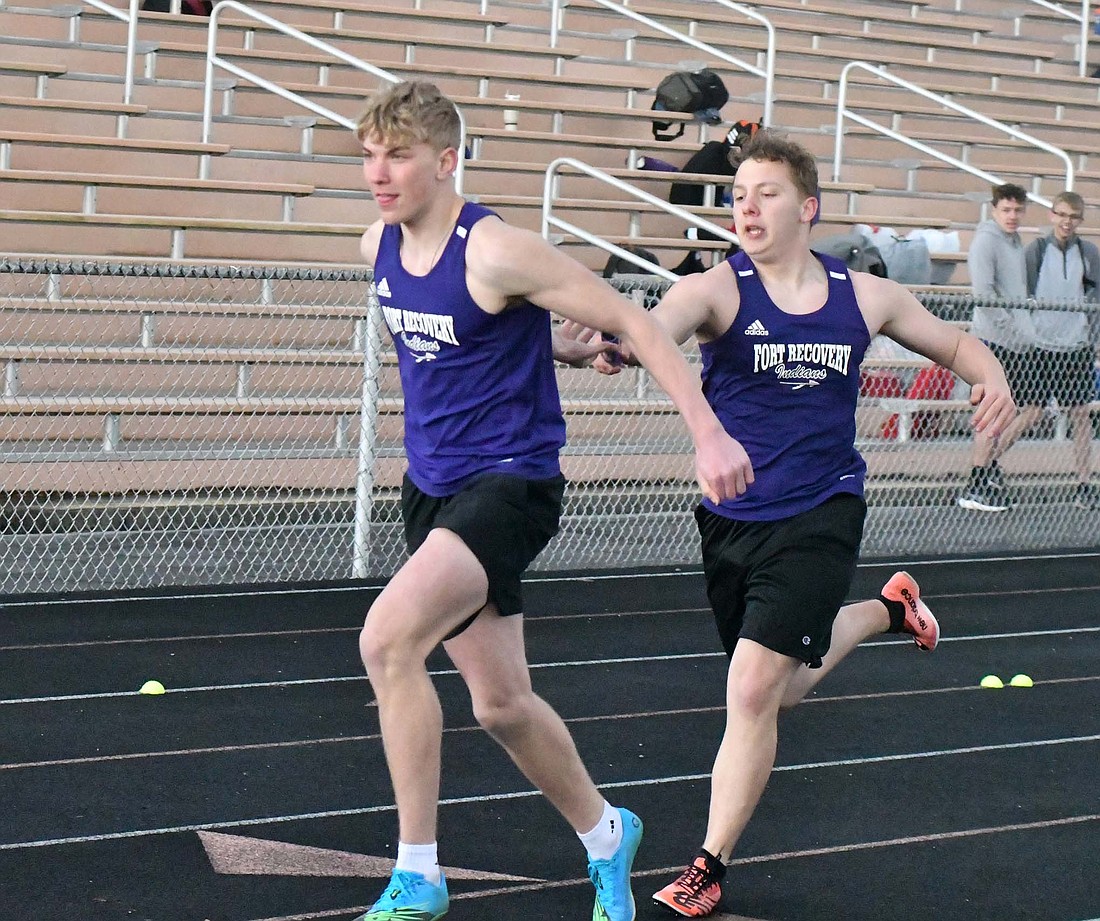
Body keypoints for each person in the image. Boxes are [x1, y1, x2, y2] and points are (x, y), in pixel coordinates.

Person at [582, 131, 1014, 918]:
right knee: (778, 691)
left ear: (808, 207)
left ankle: (708, 865)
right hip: (732, 520)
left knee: (750, 690)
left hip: (823, 510)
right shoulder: (720, 289)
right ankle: (889, 610)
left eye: (766, 192)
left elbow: (951, 340)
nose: (746, 204)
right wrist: (607, 341)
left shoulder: (864, 296)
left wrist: (991, 377)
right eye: (738, 193)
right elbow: (655, 325)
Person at [351, 80, 749, 921]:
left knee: (387, 642)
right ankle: (608, 832)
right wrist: (558, 345)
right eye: (369, 155)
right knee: (501, 704)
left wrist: (707, 433)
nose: (378, 173)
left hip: (511, 484)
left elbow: (637, 324)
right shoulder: (376, 245)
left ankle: (418, 872)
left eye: (398, 155)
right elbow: (482, 342)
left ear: (446, 160)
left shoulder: (494, 249)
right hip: (432, 490)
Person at [1022, 191, 1100, 510]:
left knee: (1081, 415)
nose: (1067, 222)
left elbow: (1094, 299)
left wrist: (1092, 341)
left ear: (1080, 220)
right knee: (1031, 413)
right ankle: (986, 467)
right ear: (1052, 215)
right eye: (1062, 214)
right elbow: (1021, 295)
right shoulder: (1037, 250)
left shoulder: (1088, 252)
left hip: (1075, 346)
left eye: (1073, 216)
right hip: (1041, 345)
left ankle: (1084, 483)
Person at [959, 182, 1030, 511]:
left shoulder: (1015, 242)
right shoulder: (986, 241)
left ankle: (988, 470)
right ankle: (975, 484)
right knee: (991, 414)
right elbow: (984, 295)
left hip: (1015, 342)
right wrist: (1012, 326)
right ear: (994, 209)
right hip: (992, 341)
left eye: (1017, 210)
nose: (1012, 216)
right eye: (1006, 209)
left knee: (1015, 412)